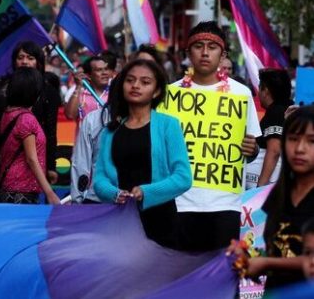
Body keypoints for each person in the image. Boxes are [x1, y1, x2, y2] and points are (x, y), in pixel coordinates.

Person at [174, 21, 261, 252]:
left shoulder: (241, 94)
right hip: (180, 202)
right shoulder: (170, 95)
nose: (204, 52)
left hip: (225, 204)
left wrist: (251, 149)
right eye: (199, 46)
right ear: (188, 53)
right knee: (183, 276)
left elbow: (252, 150)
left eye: (212, 47)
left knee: (223, 273)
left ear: (222, 55)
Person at [94, 59, 191, 248]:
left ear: (156, 91)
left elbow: (183, 177)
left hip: (161, 221)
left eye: (145, 82)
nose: (136, 86)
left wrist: (146, 192)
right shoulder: (110, 131)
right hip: (120, 222)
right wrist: (115, 194)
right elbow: (99, 179)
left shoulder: (168, 125)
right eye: (130, 80)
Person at [241, 106, 314, 290]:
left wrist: (266, 264)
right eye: (293, 139)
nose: (299, 149)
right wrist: (248, 254)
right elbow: (279, 247)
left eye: (311, 141)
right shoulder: (280, 192)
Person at [0, 41, 61, 184]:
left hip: (33, 160)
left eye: (30, 58)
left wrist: (51, 166)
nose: (25, 62)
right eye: (21, 57)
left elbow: (51, 131)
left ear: (39, 62)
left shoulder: (49, 91)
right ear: (14, 61)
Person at [0, 68, 60, 205]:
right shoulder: (26, 119)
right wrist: (49, 192)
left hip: (8, 186)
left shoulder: (8, 113)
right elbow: (31, 158)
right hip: (22, 190)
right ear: (33, 92)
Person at [251, 69, 293, 188]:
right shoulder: (287, 109)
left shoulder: (277, 112)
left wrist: (260, 187)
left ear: (266, 91)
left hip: (269, 188)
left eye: (260, 88)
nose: (258, 93)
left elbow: (274, 150)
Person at [64, 53, 114, 122]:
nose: (104, 73)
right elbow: (70, 115)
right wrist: (78, 86)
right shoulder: (80, 94)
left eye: (106, 69)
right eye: (99, 70)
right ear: (88, 75)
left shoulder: (115, 92)